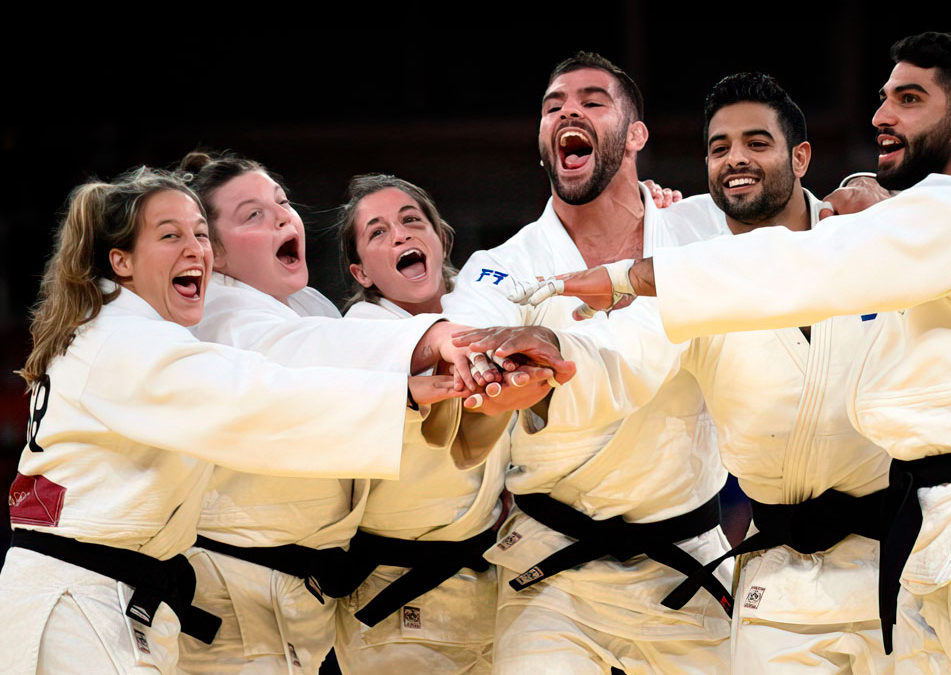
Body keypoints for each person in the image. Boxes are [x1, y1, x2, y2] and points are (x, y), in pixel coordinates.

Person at [515, 32, 951, 674]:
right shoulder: (933, 222)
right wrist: (551, 362)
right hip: (836, 560)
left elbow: (811, 265)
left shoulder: (893, 230)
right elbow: (625, 351)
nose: (882, 115)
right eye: (718, 147)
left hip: (949, 526)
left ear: (802, 157)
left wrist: (627, 275)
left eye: (909, 99)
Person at [0, 169, 456, 674]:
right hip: (81, 597)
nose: (195, 248)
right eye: (170, 235)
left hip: (109, 592)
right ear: (121, 260)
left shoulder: (124, 328)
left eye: (199, 233)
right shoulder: (126, 340)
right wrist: (400, 395)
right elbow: (250, 399)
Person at [173, 152, 552, 674]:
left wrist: (647, 215)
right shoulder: (228, 314)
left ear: (444, 240)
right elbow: (328, 350)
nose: (283, 217)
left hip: (316, 596)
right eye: (253, 215)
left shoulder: (309, 305)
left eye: (281, 203)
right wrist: (437, 348)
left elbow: (546, 269)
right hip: (255, 585)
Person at [440, 52, 734, 673]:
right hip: (551, 576)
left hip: (690, 563)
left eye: (592, 101)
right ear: (544, 142)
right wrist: (500, 397)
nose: (568, 110)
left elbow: (804, 234)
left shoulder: (702, 232)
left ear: (635, 137)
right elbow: (468, 407)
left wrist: (852, 191)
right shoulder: (501, 267)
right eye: (554, 106)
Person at [331, 174, 544, 673]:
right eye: (378, 232)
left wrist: (646, 210)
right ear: (361, 272)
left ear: (440, 239)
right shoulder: (359, 335)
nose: (401, 235)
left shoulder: (481, 308)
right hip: (391, 593)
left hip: (487, 585)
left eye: (411, 221)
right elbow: (454, 437)